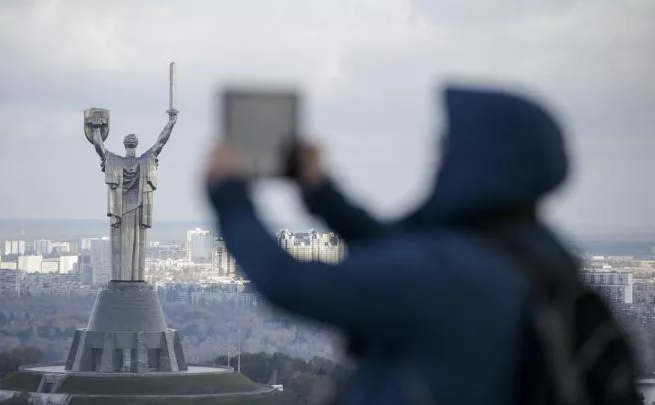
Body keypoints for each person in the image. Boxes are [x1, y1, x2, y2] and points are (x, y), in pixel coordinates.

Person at [204, 86, 639, 404]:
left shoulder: (453, 273)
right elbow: (401, 253)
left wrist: (229, 195)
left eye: (449, 147)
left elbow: (289, 282)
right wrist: (320, 194)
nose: (438, 156)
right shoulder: (533, 255)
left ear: (479, 165)